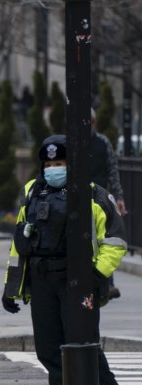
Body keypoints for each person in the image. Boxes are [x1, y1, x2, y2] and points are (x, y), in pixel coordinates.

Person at [2, 134, 127, 385]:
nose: (53, 168)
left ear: (72, 164)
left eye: (60, 163)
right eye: (49, 163)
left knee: (83, 344)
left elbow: (116, 240)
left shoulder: (94, 195)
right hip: (42, 280)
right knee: (48, 350)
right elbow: (20, 243)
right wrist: (12, 287)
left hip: (78, 282)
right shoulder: (32, 191)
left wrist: (96, 274)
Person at [89, 109, 126, 299]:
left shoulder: (102, 143)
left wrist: (118, 197)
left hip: (100, 197)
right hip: (79, 196)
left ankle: (107, 281)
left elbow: (113, 171)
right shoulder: (68, 142)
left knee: (106, 240)